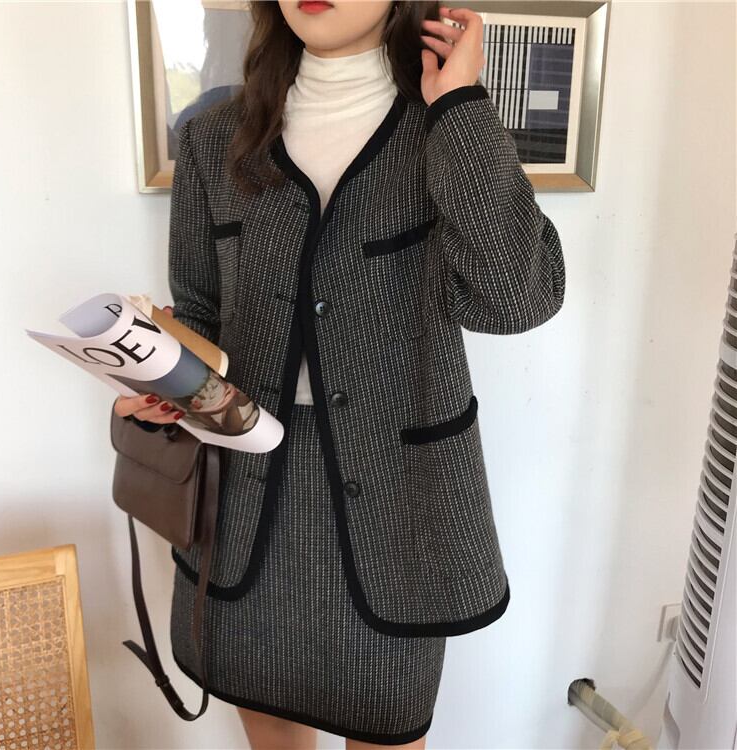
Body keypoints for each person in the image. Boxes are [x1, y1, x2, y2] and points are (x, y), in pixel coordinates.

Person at [114, 1, 566, 748]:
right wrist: (162, 379)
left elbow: (517, 297)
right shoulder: (212, 138)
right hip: (244, 500)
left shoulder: (445, 131)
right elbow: (200, 311)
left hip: (399, 508)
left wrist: (459, 105)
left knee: (388, 728)